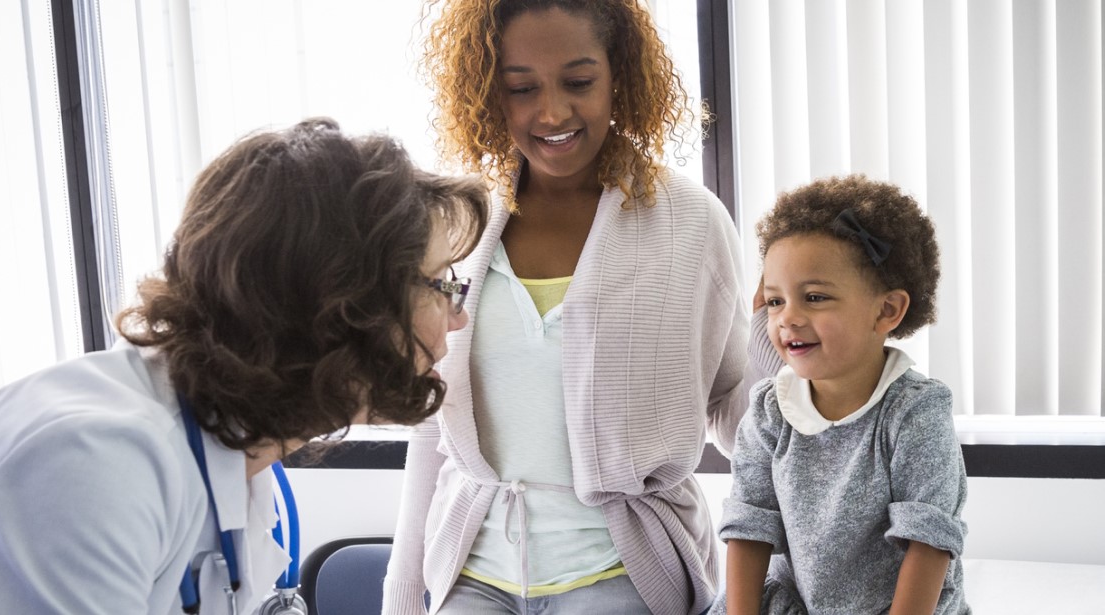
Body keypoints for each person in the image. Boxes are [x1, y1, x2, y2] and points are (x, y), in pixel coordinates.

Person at [0, 119, 487, 614]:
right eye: (439, 285)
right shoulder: (90, 460)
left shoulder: (242, 463)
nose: (457, 318)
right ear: (336, 306)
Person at [387, 1, 750, 613]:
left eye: (578, 82)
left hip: (624, 571)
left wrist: (791, 347)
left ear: (619, 77)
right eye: (521, 88)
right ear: (488, 92)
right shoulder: (457, 226)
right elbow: (431, 420)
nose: (552, 112)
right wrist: (402, 594)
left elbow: (734, 409)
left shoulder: (690, 220)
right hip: (473, 575)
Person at [719, 176, 969, 615]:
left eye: (814, 297)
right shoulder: (768, 410)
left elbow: (928, 542)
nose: (787, 318)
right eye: (775, 301)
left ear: (887, 310)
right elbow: (749, 527)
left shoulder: (915, 412)